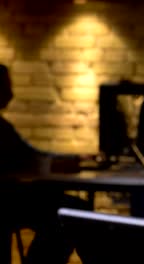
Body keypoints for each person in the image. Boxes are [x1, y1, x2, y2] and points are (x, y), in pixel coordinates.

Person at [0, 64, 91, 264]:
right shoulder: (1, 130)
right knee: (74, 210)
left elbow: (31, 157)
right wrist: (73, 161)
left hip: (9, 199)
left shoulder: (3, 127)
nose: (11, 92)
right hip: (7, 204)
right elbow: (34, 159)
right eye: (6, 85)